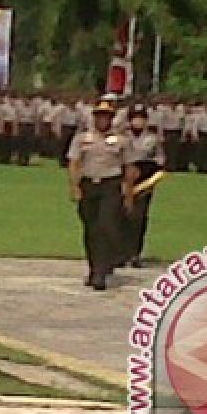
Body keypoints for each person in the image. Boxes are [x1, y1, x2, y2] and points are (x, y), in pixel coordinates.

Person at [67, 98, 134, 291]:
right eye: (99, 116)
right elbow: (74, 163)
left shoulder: (122, 140)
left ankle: (101, 272)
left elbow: (129, 167)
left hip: (110, 185)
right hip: (88, 185)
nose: (102, 120)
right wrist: (74, 187)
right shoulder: (83, 138)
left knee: (106, 226)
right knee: (91, 229)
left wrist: (128, 193)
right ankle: (94, 267)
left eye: (106, 116)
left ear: (112, 119)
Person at [123, 103, 165, 269]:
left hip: (143, 184)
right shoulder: (121, 137)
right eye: (135, 118)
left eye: (141, 118)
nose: (138, 122)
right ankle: (120, 252)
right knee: (121, 217)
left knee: (139, 218)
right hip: (124, 182)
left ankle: (135, 253)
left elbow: (161, 159)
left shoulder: (153, 139)